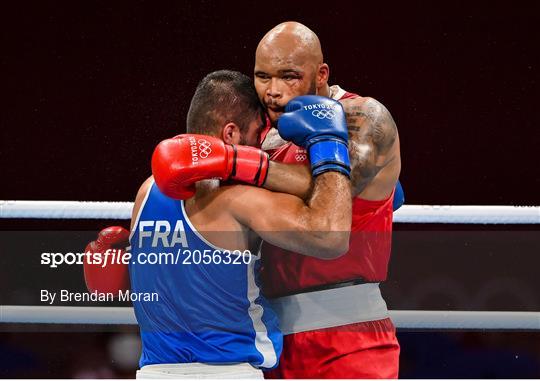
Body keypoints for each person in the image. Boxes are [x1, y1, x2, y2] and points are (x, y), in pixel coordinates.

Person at [101, 70, 352, 378]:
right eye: (259, 134)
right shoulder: (240, 200)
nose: (264, 148)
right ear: (231, 134)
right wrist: (331, 145)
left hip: (154, 372)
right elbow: (331, 238)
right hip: (229, 372)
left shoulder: (148, 190)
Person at [252, 22, 402, 378]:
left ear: (321, 74)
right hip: (266, 341)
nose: (272, 91)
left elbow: (336, 187)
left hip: (348, 340)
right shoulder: (257, 130)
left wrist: (239, 166)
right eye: (262, 76)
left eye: (288, 76)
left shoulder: (364, 116)